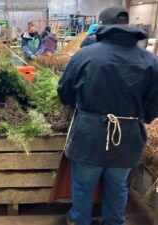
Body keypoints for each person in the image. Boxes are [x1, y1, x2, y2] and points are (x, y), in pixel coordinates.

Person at [58, 6, 158, 225]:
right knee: (118, 185)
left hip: (89, 133)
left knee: (83, 186)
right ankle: (114, 221)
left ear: (102, 26)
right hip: (129, 137)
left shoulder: (85, 55)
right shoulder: (150, 61)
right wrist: (142, 120)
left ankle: (79, 220)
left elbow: (64, 91)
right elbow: (155, 103)